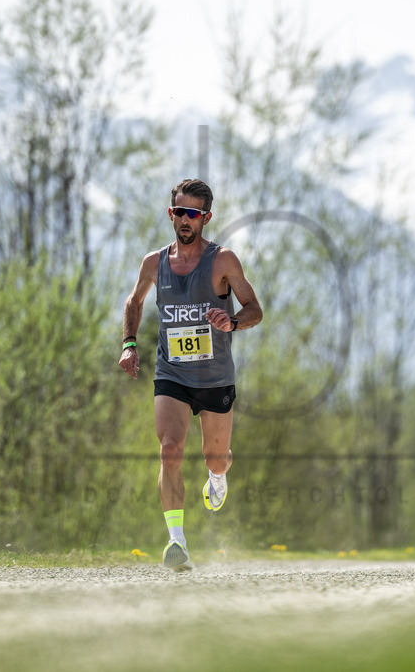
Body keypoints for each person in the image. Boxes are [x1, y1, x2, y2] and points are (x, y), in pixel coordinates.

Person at [119, 179, 263, 572]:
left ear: (206, 218)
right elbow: (135, 300)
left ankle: (218, 478)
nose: (186, 220)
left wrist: (231, 322)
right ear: (171, 214)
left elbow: (255, 309)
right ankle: (176, 542)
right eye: (180, 212)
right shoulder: (154, 263)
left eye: (194, 214)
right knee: (169, 449)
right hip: (172, 374)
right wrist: (129, 344)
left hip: (215, 376)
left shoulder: (223, 261)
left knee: (215, 457)